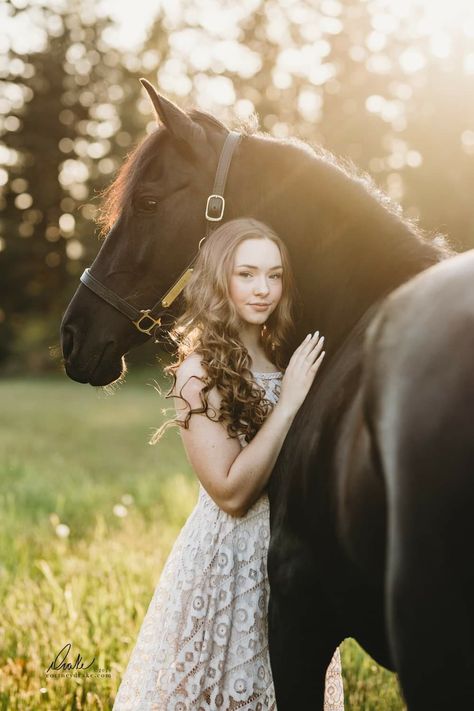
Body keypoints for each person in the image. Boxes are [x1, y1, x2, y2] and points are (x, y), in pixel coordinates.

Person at [112, 217, 345, 710]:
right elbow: (231, 493)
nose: (264, 289)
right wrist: (290, 403)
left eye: (275, 275)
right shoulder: (200, 370)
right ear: (220, 279)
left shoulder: (287, 357)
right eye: (247, 274)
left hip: (290, 556)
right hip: (229, 563)